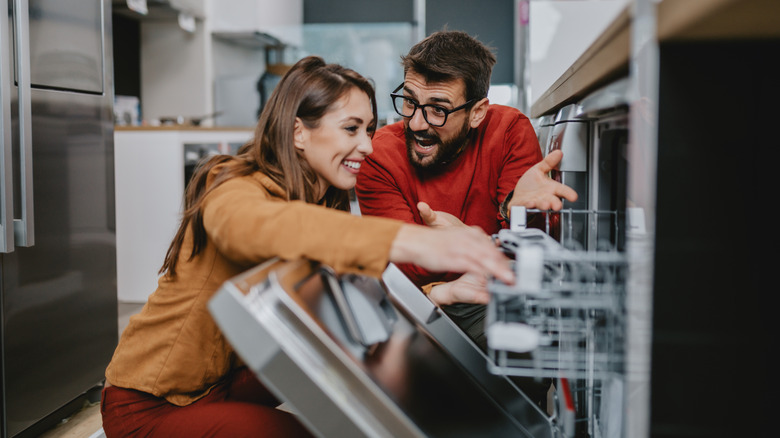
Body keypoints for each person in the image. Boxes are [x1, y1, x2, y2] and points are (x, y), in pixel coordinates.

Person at [100, 56, 515, 438]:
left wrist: (441, 293)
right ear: (299, 131)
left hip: (222, 384)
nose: (368, 146)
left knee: (341, 378)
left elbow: (350, 303)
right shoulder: (230, 186)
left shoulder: (314, 200)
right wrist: (413, 241)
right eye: (351, 129)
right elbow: (253, 228)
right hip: (148, 407)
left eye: (369, 130)